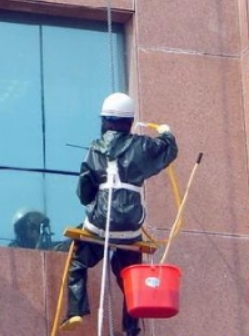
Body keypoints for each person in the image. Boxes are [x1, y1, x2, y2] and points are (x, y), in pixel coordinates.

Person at [60, 92, 178, 336]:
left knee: (78, 262)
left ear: (104, 121)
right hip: (129, 226)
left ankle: (75, 312)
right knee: (130, 274)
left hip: (99, 223)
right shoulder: (143, 146)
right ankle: (131, 328)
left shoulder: (94, 149)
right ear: (130, 121)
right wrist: (166, 132)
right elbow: (169, 149)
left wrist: (97, 197)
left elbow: (84, 191)